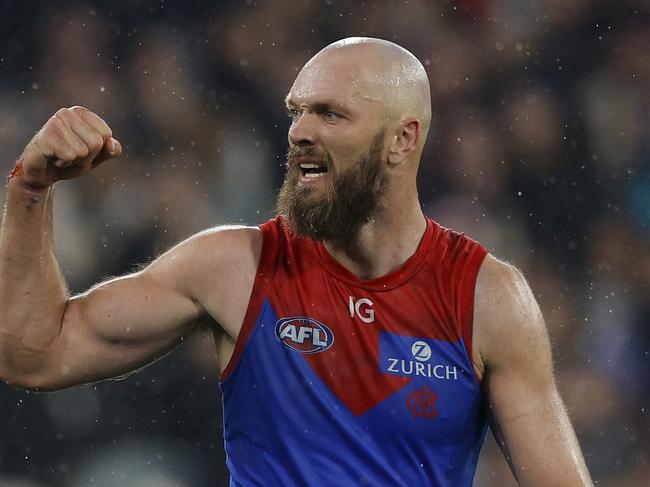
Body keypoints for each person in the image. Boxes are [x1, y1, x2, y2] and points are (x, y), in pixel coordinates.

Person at [0, 37, 592, 486]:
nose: (300, 132)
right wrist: (30, 191)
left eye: (330, 114)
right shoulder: (236, 266)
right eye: (296, 112)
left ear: (402, 139)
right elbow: (36, 355)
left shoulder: (486, 298)